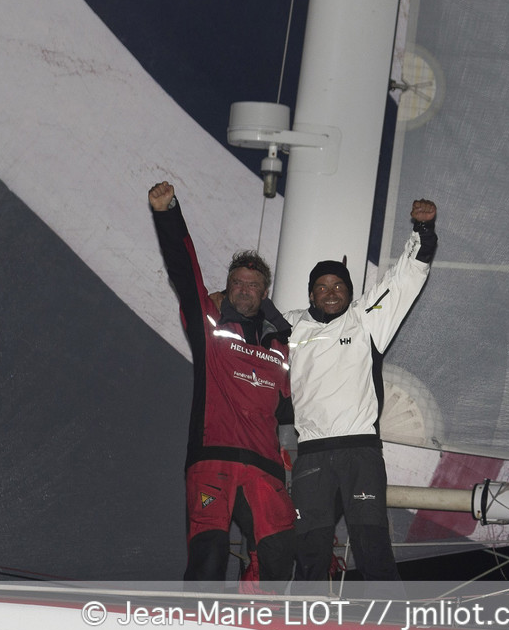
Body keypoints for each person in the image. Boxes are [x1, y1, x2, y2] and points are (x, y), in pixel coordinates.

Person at [148, 181, 295, 583]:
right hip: (214, 460)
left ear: (265, 292)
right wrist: (168, 212)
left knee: (278, 556)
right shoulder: (209, 326)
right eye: (238, 282)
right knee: (209, 555)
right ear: (227, 287)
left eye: (253, 285)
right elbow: (183, 268)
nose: (244, 290)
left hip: (264, 469)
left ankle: (260, 629)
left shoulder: (284, 344)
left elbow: (291, 410)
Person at [286, 199, 438, 580]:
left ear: (350, 292)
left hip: (360, 453)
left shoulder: (365, 319)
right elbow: (244, 327)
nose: (331, 292)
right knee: (309, 553)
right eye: (321, 287)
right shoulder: (290, 327)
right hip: (312, 456)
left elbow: (404, 280)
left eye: (339, 285)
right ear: (310, 296)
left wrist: (423, 232)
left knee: (373, 548)